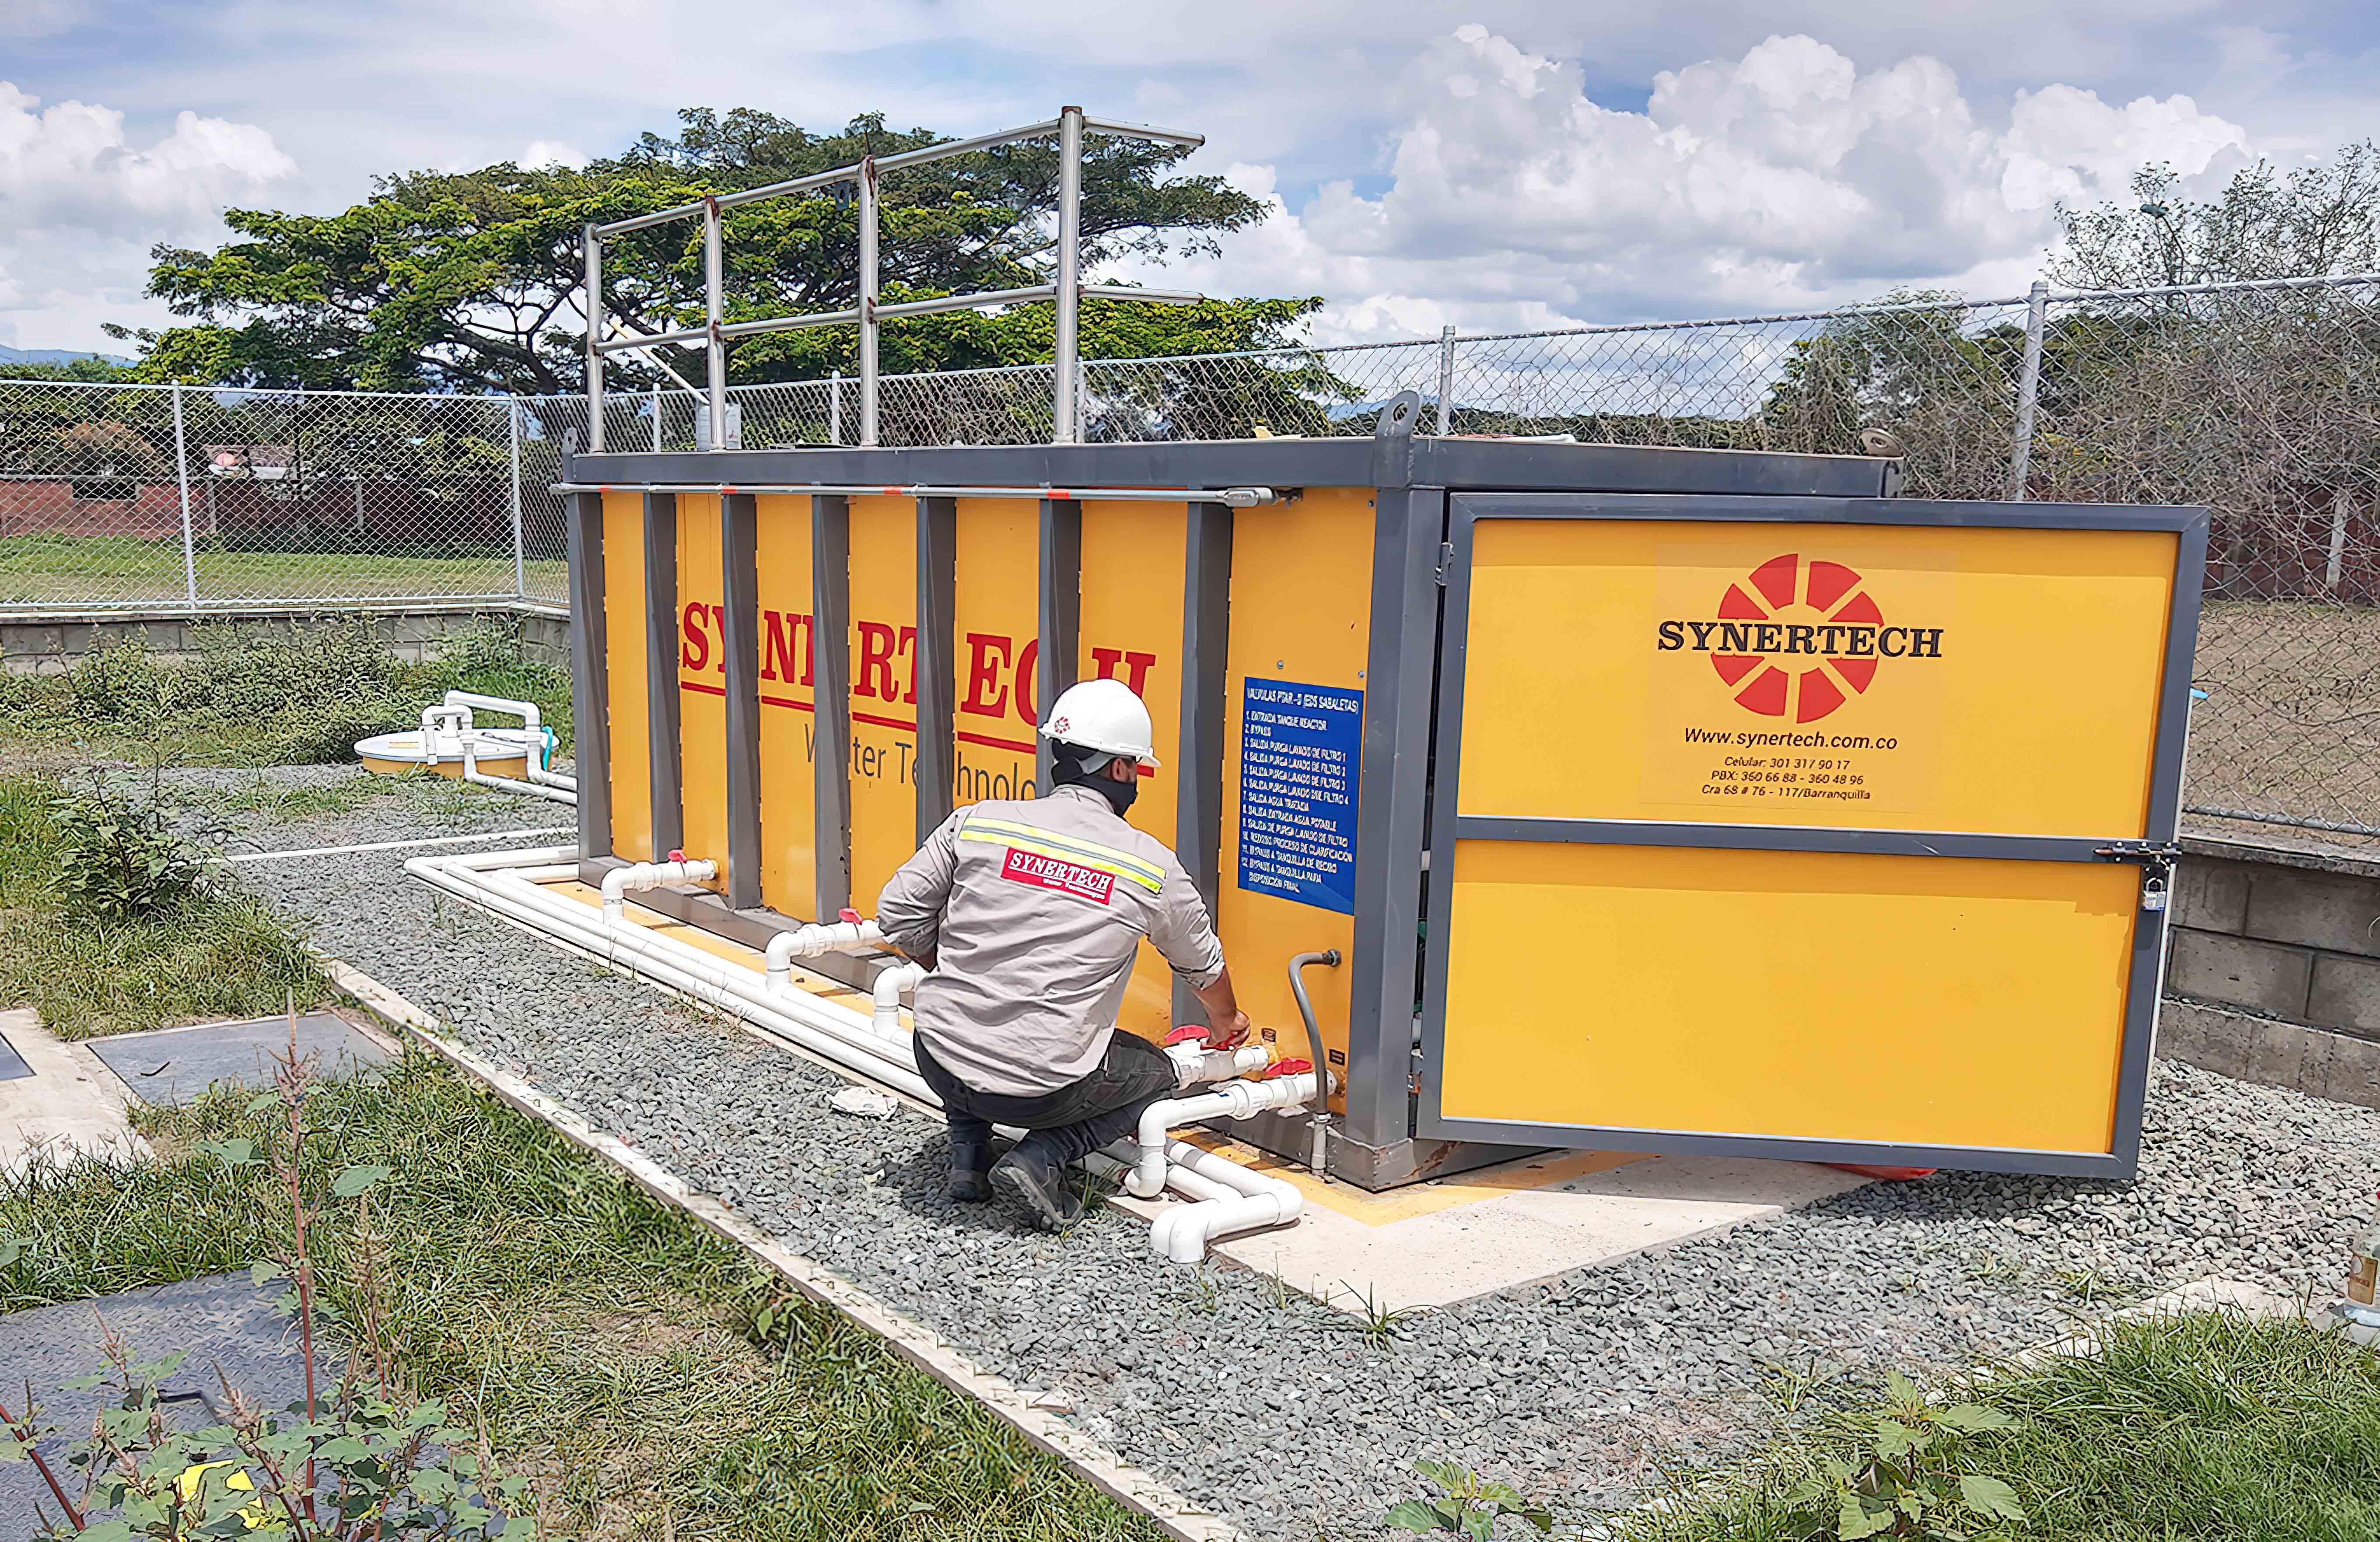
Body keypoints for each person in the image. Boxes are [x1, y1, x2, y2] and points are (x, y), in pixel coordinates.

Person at [875, 677, 1251, 1230]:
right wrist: (1227, 1019)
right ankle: (1041, 1157)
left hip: (938, 1055)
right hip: (1042, 1092)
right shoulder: (1149, 865)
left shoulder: (977, 821)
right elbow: (1202, 962)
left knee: (971, 1021)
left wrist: (952, 967)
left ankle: (970, 1155)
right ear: (1120, 769)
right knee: (1157, 1072)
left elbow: (898, 913)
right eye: (1137, 769)